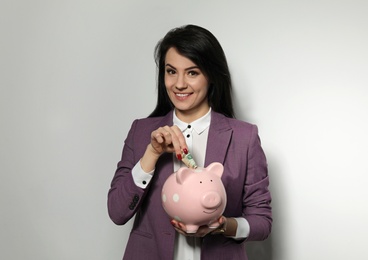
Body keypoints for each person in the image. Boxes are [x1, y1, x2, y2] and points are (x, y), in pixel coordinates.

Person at [108, 24, 272, 260]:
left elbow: (262, 222)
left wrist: (224, 225)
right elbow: (117, 212)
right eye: (171, 71)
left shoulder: (244, 137)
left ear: (211, 76)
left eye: (192, 72)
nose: (179, 84)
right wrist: (151, 155)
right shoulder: (141, 131)